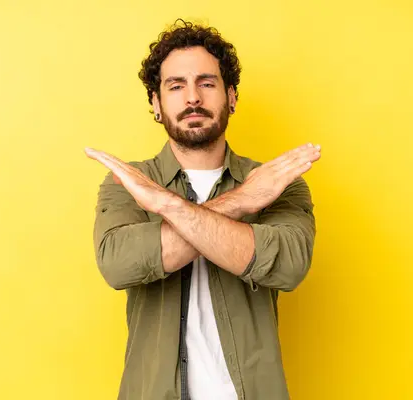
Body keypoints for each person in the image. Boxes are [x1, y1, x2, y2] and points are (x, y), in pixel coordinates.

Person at [85, 19, 321, 400]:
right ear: (156, 104)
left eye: (206, 83)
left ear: (231, 96)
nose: (192, 97)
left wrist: (165, 208)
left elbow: (289, 264)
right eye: (175, 86)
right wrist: (242, 201)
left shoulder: (279, 181)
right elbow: (118, 264)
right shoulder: (128, 183)